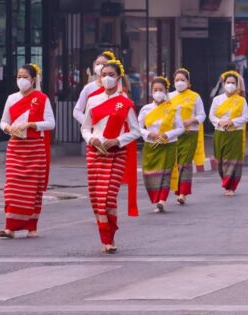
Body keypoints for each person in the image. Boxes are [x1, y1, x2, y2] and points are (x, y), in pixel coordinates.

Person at [81, 59, 140, 253]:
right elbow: (85, 128)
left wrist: (117, 140)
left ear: (119, 78)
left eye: (111, 75)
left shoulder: (125, 103)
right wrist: (91, 139)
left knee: (108, 195)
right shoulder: (93, 100)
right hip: (95, 152)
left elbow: (136, 131)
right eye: (104, 75)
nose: (107, 78)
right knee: (96, 196)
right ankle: (105, 237)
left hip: (116, 153)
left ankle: (110, 236)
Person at [0, 64, 54, 239]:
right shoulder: (11, 98)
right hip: (15, 147)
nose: (21, 80)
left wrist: (32, 125)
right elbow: (3, 121)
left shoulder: (42, 98)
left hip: (34, 148)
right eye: (19, 77)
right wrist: (8, 128)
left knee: (32, 188)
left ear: (33, 80)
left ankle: (31, 226)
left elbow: (51, 123)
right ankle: (10, 227)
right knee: (12, 187)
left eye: (25, 77)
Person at [138, 78, 184, 212]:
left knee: (165, 174)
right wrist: (148, 134)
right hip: (151, 146)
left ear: (166, 91)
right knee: (148, 174)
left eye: (161, 90)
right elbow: (137, 128)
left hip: (168, 145)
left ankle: (162, 201)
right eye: (155, 90)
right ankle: (156, 198)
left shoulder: (173, 108)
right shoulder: (145, 109)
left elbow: (180, 128)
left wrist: (167, 135)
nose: (158, 92)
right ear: (151, 92)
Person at [168, 68, 206, 204]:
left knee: (185, 163)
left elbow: (202, 115)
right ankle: (177, 189)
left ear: (188, 82)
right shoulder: (169, 97)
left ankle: (183, 193)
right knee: (175, 163)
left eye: (182, 80)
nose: (179, 82)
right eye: (177, 80)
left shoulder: (195, 96)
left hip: (190, 134)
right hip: (174, 135)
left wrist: (191, 120)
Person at [210, 70, 248, 196]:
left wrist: (232, 122)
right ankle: (226, 181)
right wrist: (220, 122)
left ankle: (230, 186)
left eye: (233, 83)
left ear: (237, 85)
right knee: (220, 161)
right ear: (223, 84)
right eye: (228, 82)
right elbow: (211, 115)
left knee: (232, 161)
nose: (230, 85)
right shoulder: (217, 100)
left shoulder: (241, 100)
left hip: (235, 134)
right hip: (220, 133)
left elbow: (245, 117)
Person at [72, 51, 117, 125]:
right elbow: (77, 111)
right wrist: (90, 124)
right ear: (94, 65)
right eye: (97, 64)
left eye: (103, 64)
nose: (100, 66)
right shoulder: (88, 88)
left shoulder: (117, 88)